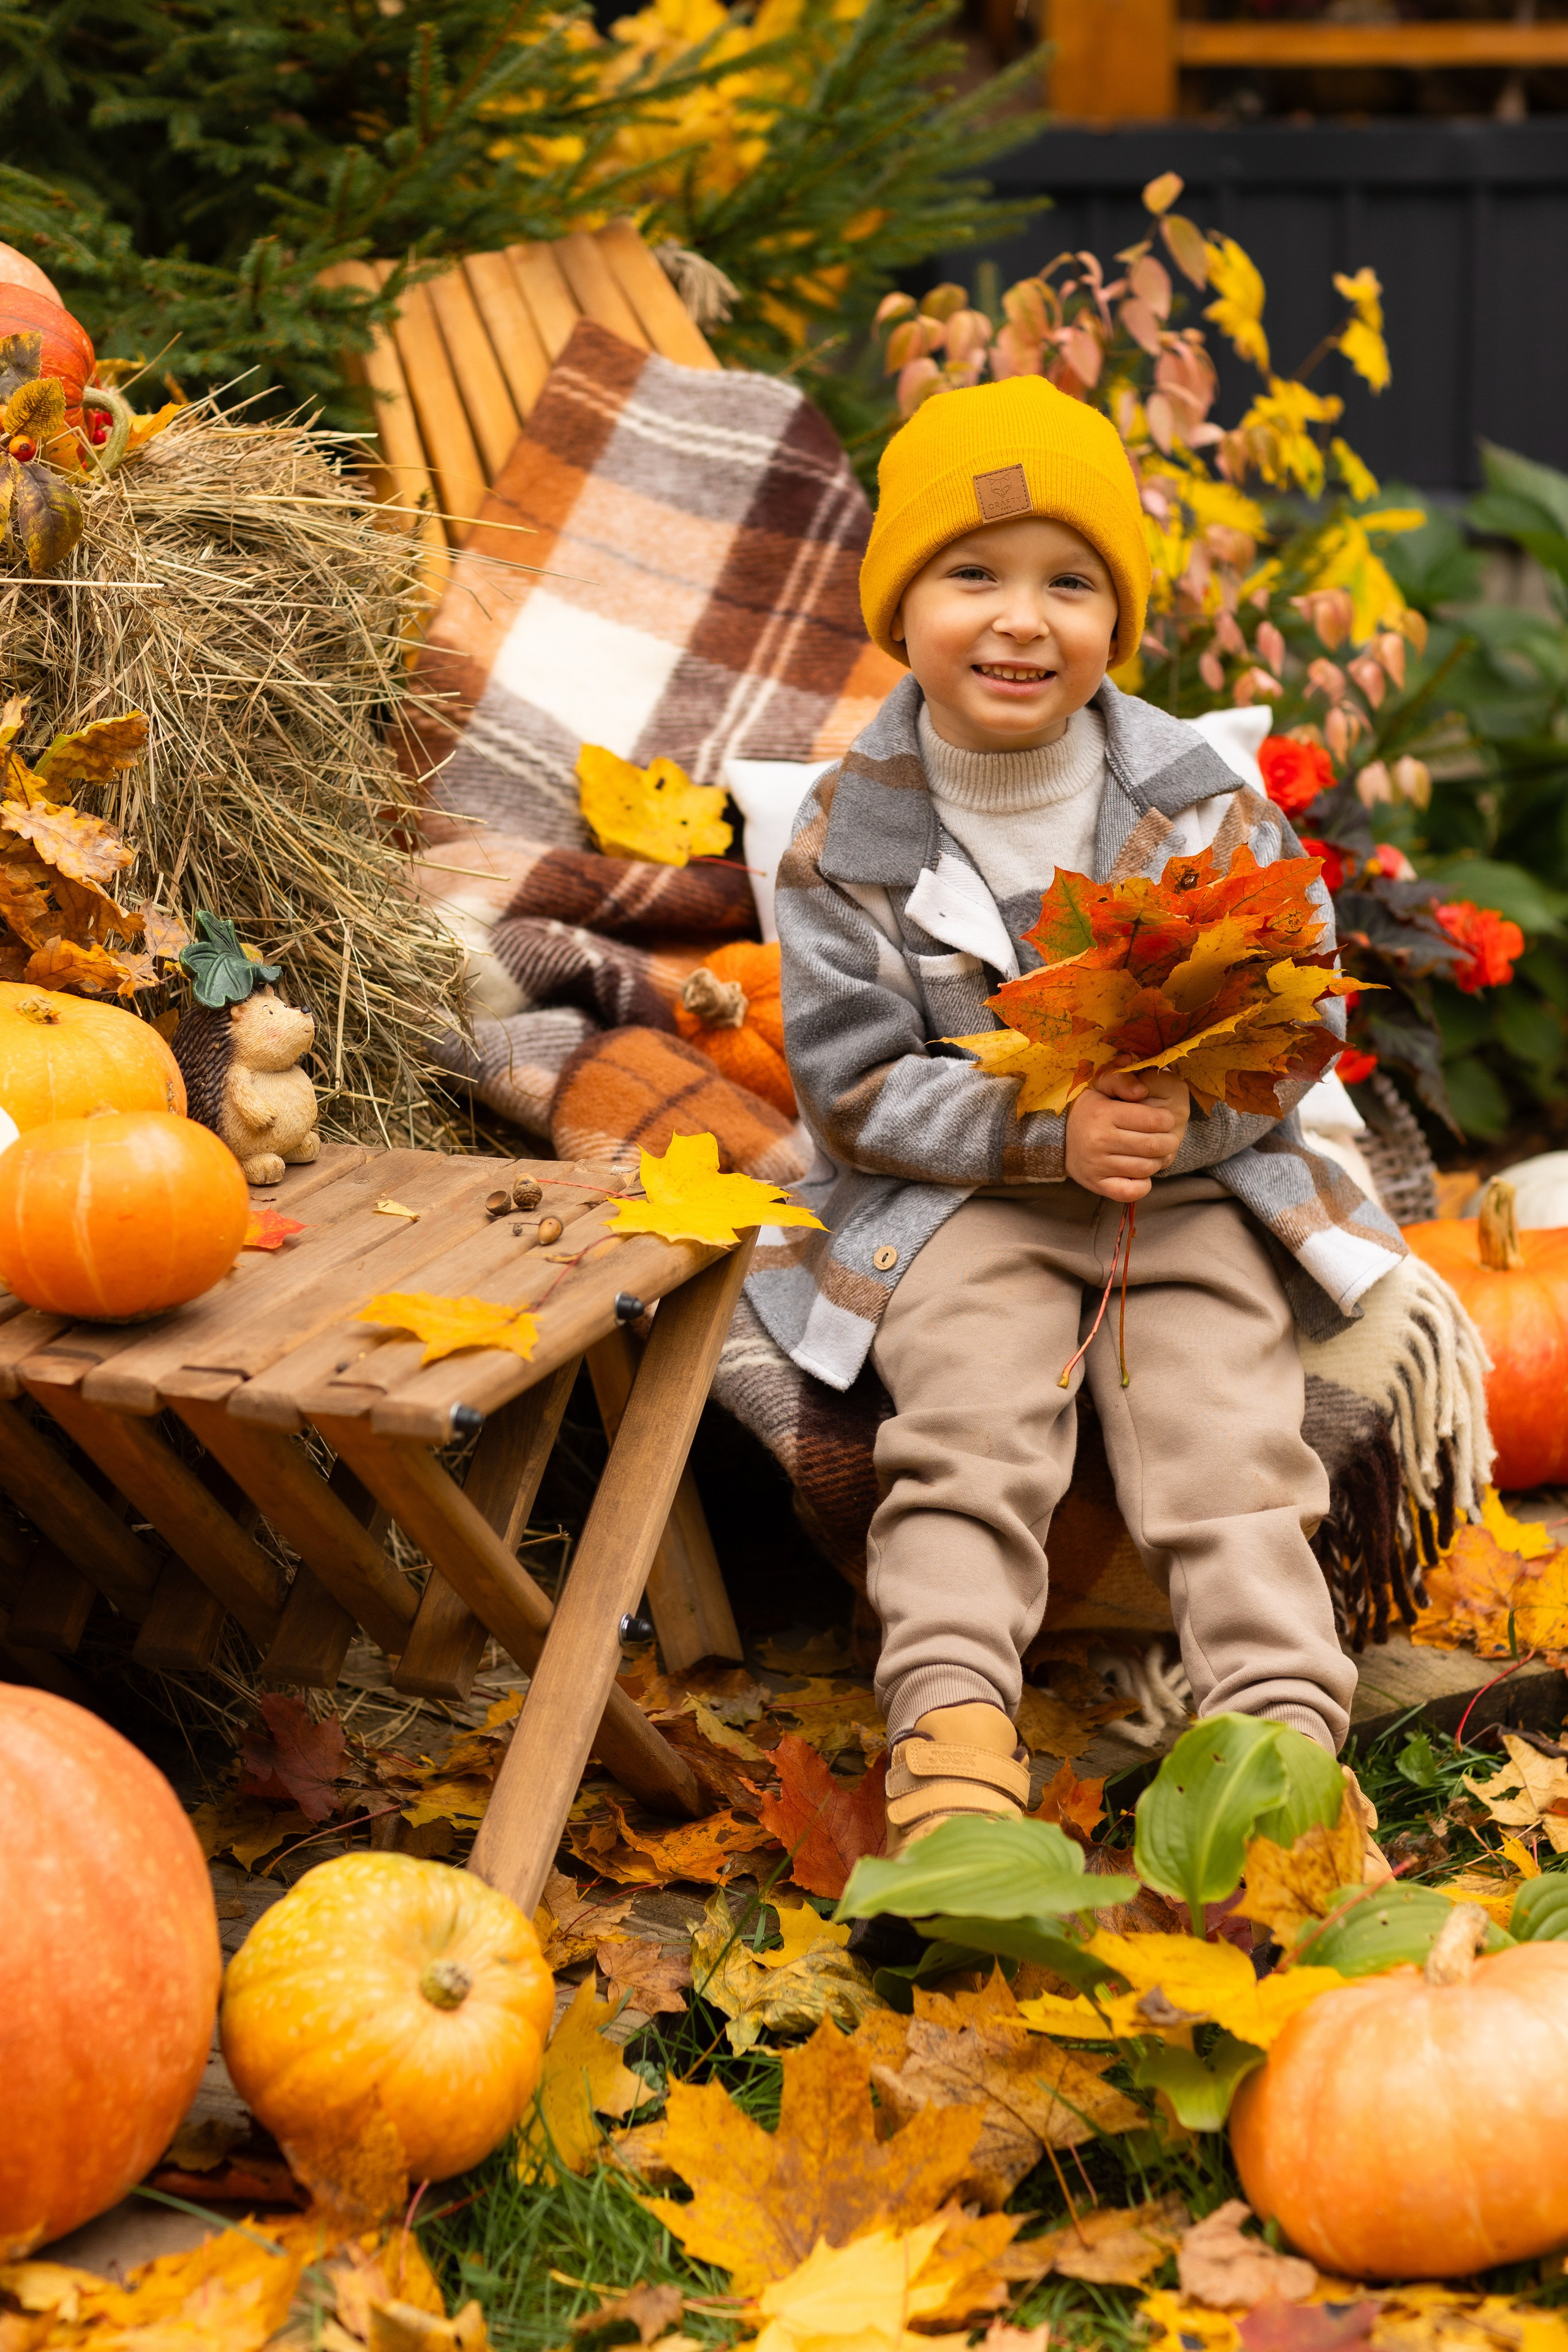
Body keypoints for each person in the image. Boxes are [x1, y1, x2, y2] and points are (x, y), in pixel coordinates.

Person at [748, 375, 1406, 1858]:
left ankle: (1276, 1740)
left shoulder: (1197, 798)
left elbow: (1302, 1021)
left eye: (1068, 584)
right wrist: (1042, 1139)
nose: (1019, 619)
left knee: (1228, 1437)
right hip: (964, 1203)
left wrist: (1191, 1129)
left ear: (1117, 620)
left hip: (1181, 1191)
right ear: (899, 608)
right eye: (969, 575)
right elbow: (850, 1090)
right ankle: (952, 1725)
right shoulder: (842, 835)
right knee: (966, 1424)